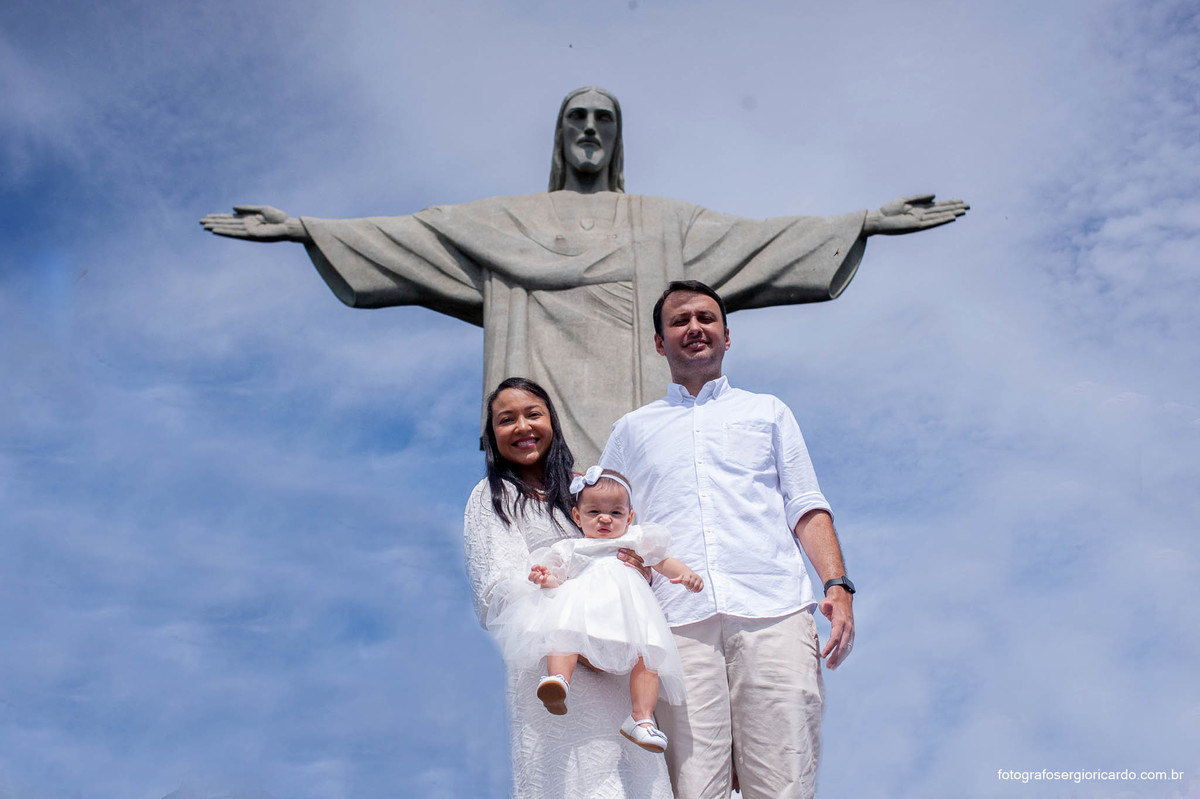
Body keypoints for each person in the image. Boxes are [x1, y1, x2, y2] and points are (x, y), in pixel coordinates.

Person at [200, 86, 968, 465]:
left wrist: (861, 221)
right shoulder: (507, 223)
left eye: (605, 119)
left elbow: (760, 244)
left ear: (618, 138)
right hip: (543, 431)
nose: (592, 130)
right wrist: (307, 228)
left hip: (644, 428)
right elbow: (414, 238)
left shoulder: (664, 224)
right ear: (561, 137)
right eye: (578, 119)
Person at [599, 280, 856, 799]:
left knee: (784, 779)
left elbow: (806, 504)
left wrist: (838, 584)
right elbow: (607, 525)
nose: (694, 328)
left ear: (726, 335)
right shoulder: (630, 431)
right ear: (658, 341)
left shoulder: (768, 412)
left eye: (705, 318)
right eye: (679, 320)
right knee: (694, 788)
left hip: (773, 611)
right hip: (674, 625)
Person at [462, 377, 673, 798]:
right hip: (552, 670)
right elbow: (498, 589)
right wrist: (574, 628)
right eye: (506, 420)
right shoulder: (493, 496)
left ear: (552, 422)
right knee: (576, 781)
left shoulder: (589, 491)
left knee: (637, 778)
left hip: (620, 663)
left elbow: (636, 552)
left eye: (533, 414)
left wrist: (637, 574)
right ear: (492, 436)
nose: (522, 426)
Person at [486, 465, 704, 755]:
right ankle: (557, 680)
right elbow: (557, 578)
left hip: (630, 614)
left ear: (629, 517)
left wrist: (685, 574)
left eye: (615, 513)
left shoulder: (633, 540)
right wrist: (545, 578)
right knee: (564, 631)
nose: (605, 518)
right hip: (585, 608)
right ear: (577, 516)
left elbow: (662, 560)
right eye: (593, 512)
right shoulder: (572, 547)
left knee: (648, 655)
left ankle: (641, 718)